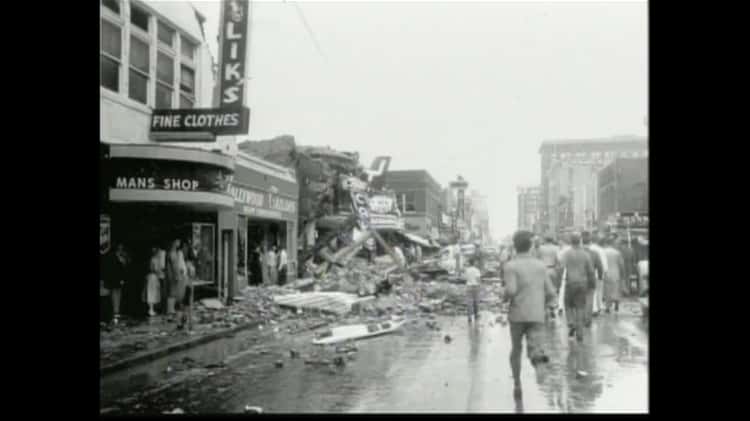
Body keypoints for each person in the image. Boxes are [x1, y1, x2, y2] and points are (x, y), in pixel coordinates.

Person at [503, 230, 558, 394]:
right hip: (536, 314)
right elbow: (550, 292)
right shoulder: (540, 266)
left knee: (516, 349)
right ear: (531, 246)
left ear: (515, 246)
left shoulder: (510, 266)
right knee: (535, 345)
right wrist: (548, 306)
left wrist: (504, 295)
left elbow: (511, 290)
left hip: (517, 314)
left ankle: (517, 384)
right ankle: (538, 361)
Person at [560, 232, 596, 342]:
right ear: (579, 241)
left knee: (568, 304)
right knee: (580, 307)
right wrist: (592, 283)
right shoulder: (585, 254)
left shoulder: (566, 254)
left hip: (570, 283)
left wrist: (557, 283)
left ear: (571, 241)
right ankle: (580, 332)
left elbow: (561, 268)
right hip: (582, 283)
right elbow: (590, 271)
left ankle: (571, 322)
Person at [581, 232, 604, 327]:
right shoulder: (595, 253)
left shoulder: (576, 253)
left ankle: (580, 318)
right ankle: (587, 320)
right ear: (590, 242)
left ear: (581, 242)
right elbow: (600, 267)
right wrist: (600, 276)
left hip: (578, 279)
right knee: (589, 299)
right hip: (591, 278)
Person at [103, 243, 130, 324]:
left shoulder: (123, 256)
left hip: (118, 278)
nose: (120, 249)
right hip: (113, 278)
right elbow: (115, 268)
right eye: (119, 248)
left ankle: (116, 312)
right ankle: (114, 312)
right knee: (113, 294)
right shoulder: (113, 256)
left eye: (121, 248)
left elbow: (125, 266)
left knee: (117, 294)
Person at [603, 238, 626, 313]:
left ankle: (607, 307)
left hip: (606, 273)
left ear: (606, 243)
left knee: (607, 290)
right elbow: (621, 265)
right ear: (612, 244)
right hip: (616, 273)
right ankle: (616, 304)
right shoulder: (617, 252)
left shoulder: (603, 252)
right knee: (616, 289)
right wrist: (623, 274)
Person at [588, 233, 609, 317]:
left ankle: (592, 307)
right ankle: (598, 307)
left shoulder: (588, 249)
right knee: (599, 291)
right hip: (599, 274)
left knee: (591, 292)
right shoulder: (600, 250)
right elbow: (604, 264)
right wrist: (605, 273)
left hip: (589, 274)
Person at [143, 247, 163, 317]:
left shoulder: (153, 259)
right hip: (153, 277)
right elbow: (155, 269)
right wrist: (160, 273)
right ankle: (151, 309)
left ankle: (151, 309)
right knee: (152, 293)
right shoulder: (155, 259)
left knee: (152, 293)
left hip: (151, 277)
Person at [463, 257, 482, 322]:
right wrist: (480, 285)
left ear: (469, 263)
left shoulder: (467, 270)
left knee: (469, 302)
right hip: (475, 286)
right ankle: (476, 315)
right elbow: (478, 279)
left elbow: (465, 278)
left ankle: (469, 317)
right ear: (474, 263)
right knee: (476, 301)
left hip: (468, 286)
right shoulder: (477, 270)